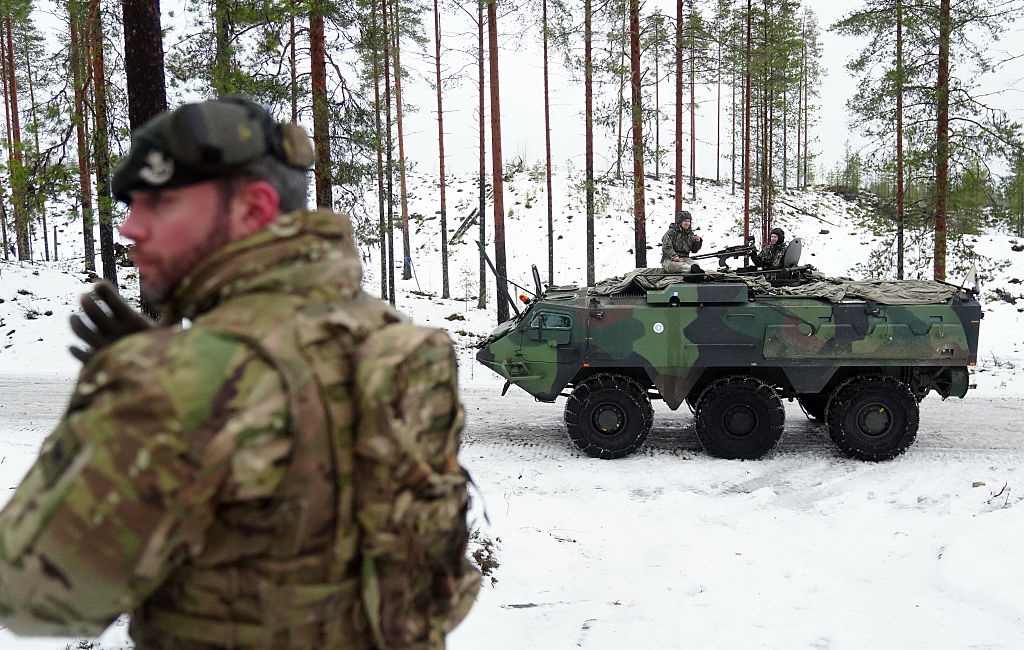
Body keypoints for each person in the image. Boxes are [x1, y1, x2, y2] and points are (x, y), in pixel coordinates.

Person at [0, 97, 478, 648]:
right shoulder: (384, 330)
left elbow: (35, 598)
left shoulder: (179, 380)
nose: (130, 227)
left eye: (159, 202)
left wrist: (118, 390)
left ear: (253, 209)